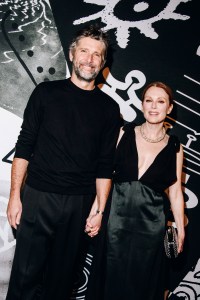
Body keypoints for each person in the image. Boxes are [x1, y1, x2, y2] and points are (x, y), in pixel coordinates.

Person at [6, 24, 121, 300]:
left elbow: (106, 164)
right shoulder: (45, 94)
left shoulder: (109, 109)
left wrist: (99, 210)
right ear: (72, 55)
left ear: (103, 63)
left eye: (97, 54)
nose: (89, 59)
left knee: (62, 281)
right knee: (24, 277)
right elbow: (24, 147)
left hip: (79, 204)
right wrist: (14, 196)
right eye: (84, 51)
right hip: (38, 197)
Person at [86, 82, 185, 300]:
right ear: (142, 105)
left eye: (160, 102)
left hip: (151, 227)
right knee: (107, 279)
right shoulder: (124, 132)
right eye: (148, 100)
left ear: (169, 108)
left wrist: (180, 228)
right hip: (115, 220)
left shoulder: (175, 146)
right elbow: (106, 175)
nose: (153, 106)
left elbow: (175, 192)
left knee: (141, 285)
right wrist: (97, 211)